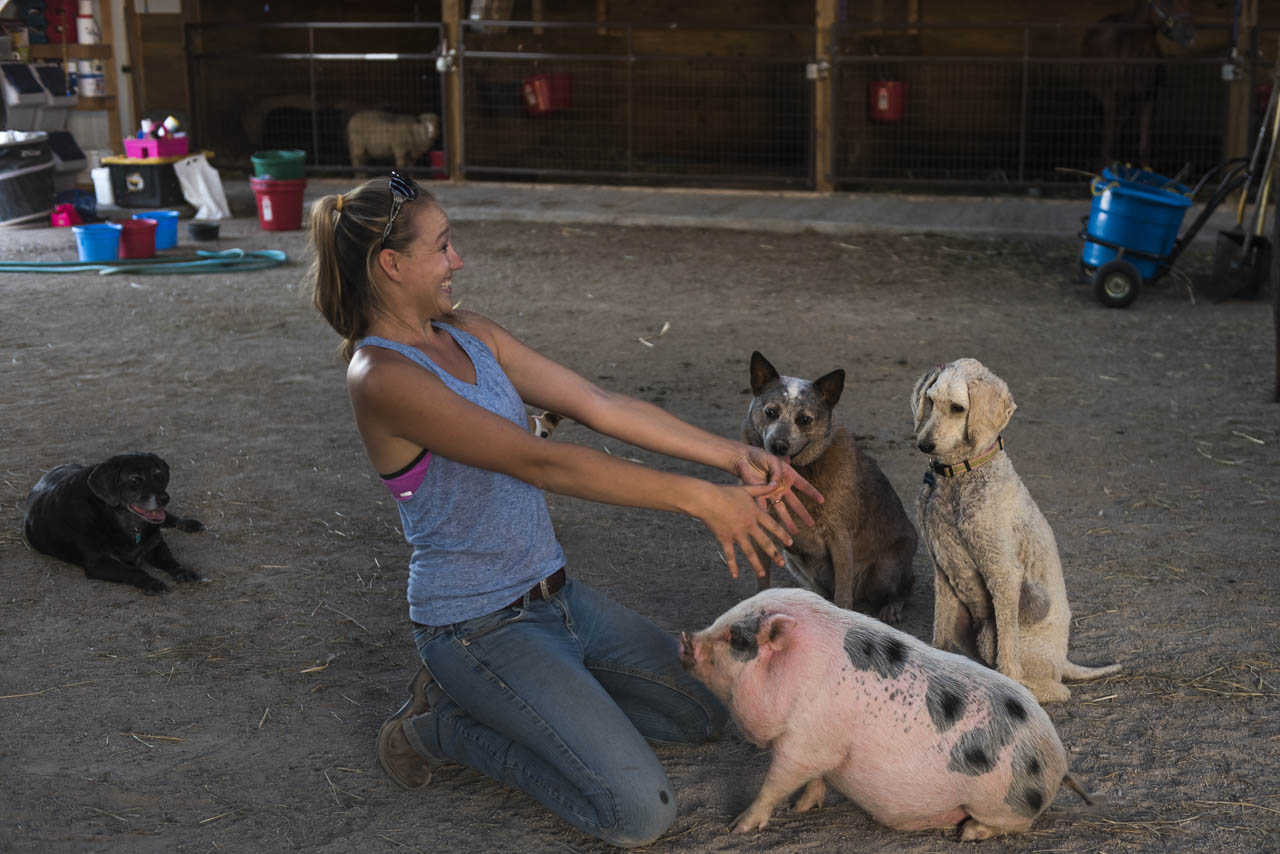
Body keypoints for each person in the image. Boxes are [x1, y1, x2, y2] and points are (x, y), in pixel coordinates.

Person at [306, 172, 822, 848]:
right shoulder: (382, 375)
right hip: (477, 625)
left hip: (559, 600)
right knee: (638, 813)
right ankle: (438, 727)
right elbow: (540, 461)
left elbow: (596, 403)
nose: (457, 260)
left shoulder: (467, 334)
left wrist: (732, 457)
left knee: (707, 708)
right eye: (443, 246)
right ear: (391, 264)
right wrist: (698, 499)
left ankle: (551, 700)